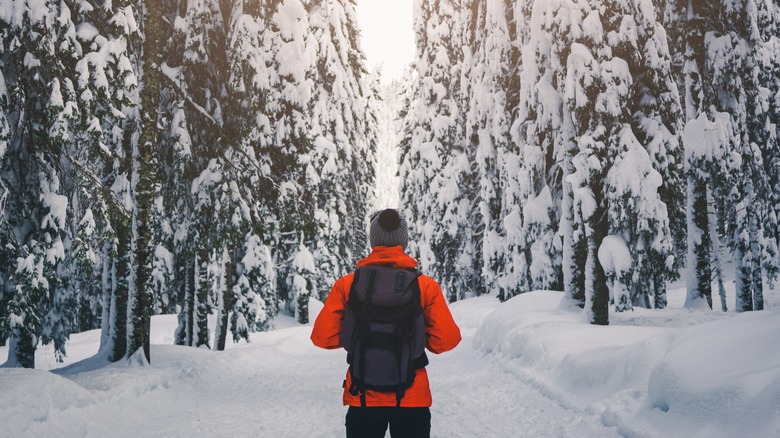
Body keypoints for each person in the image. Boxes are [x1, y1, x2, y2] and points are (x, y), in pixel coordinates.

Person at [311, 208, 461, 438]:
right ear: (404, 240)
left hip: (362, 395)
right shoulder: (425, 286)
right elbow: (446, 341)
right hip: (412, 397)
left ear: (373, 241)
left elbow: (322, 337)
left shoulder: (348, 284)